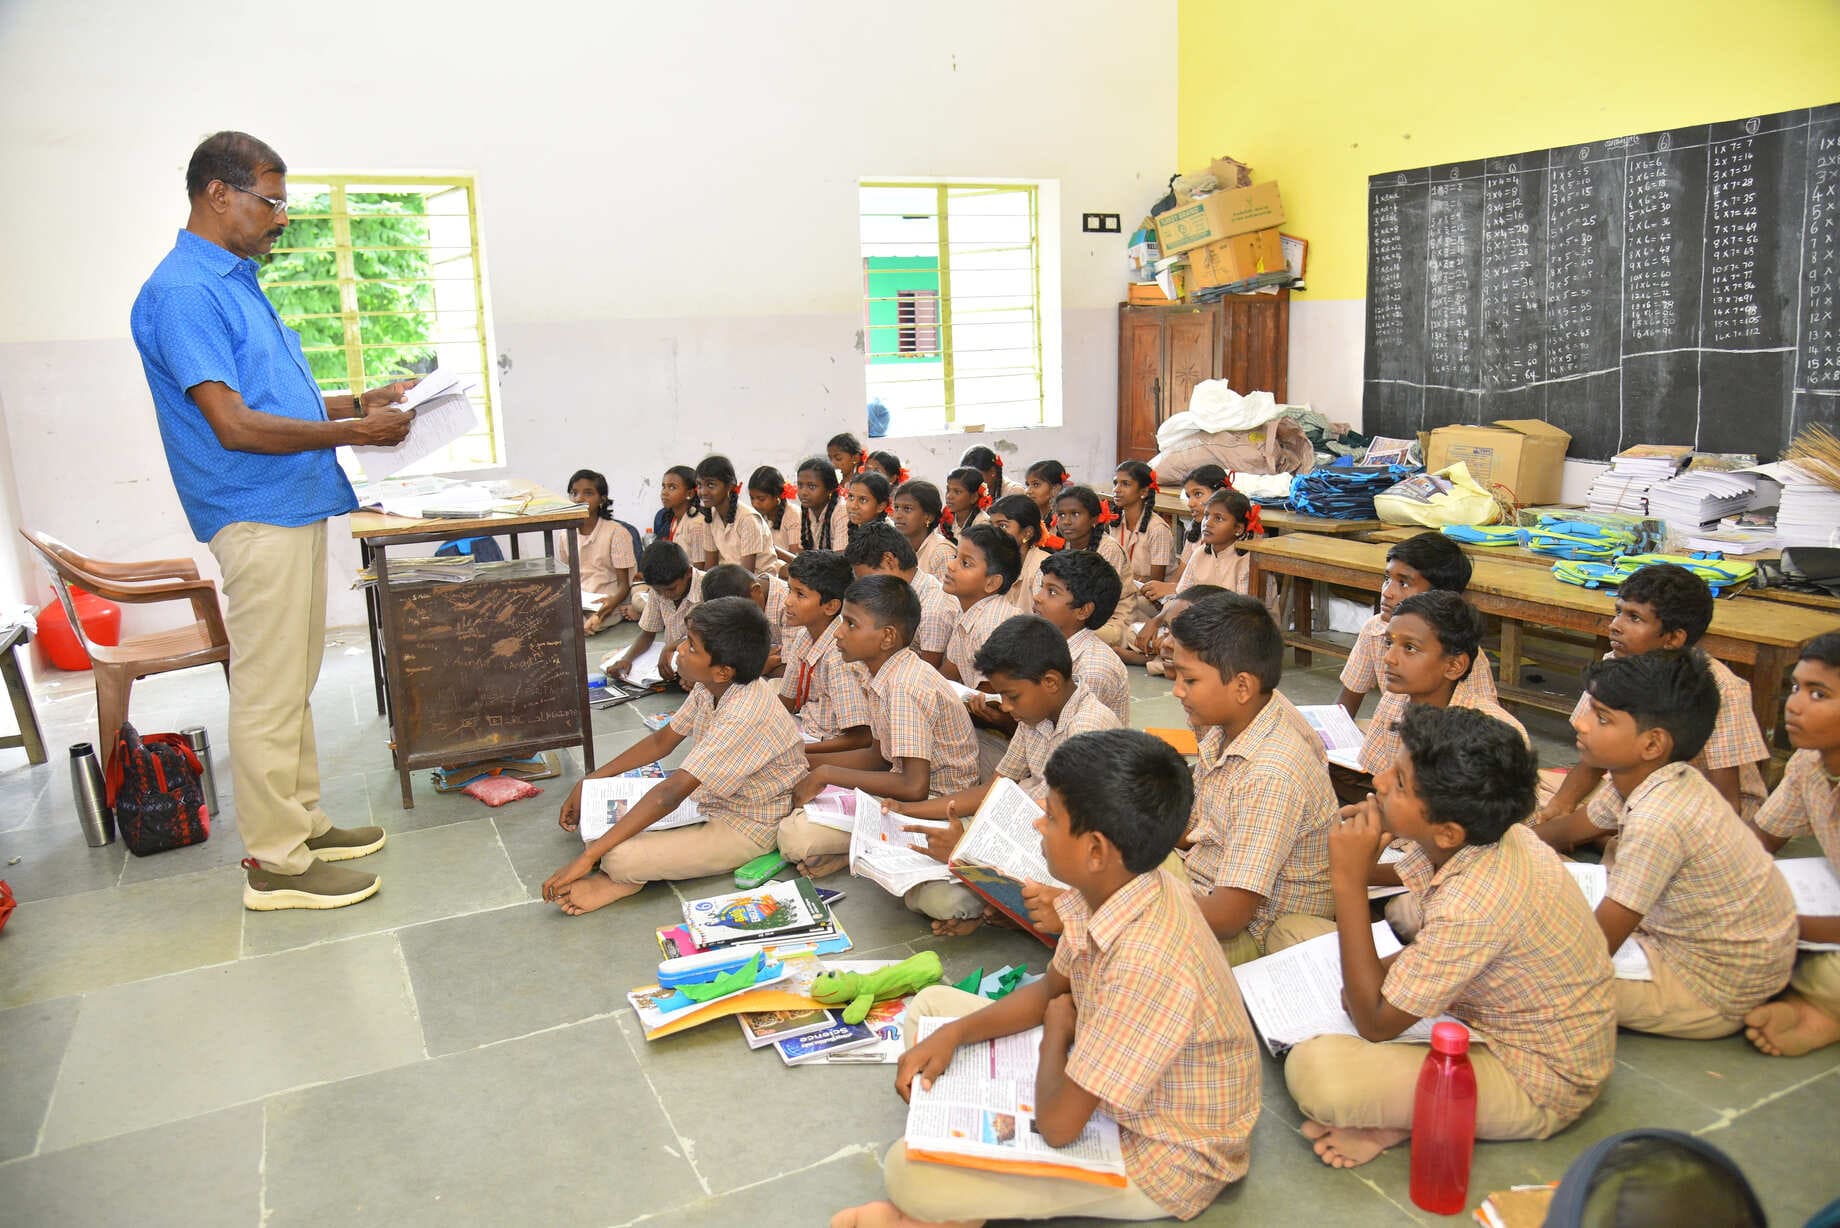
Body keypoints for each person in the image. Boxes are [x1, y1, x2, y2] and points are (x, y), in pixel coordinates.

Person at [131, 131, 410, 910]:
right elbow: (232, 423)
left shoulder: (235, 279)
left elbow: (273, 400)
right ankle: (278, 864)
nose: (281, 218)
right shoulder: (187, 290)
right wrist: (355, 434)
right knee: (266, 688)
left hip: (287, 500)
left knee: (293, 679)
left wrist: (360, 403)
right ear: (219, 194)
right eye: (271, 200)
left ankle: (304, 821)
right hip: (252, 507)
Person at [830, 729, 1261, 1228]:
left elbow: (1058, 1126)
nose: (1038, 822)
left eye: (1052, 817)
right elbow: (1051, 990)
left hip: (1160, 1155)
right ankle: (960, 1191)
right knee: (931, 1013)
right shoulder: (1117, 885)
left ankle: (950, 1204)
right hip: (1096, 1061)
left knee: (909, 1172)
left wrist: (1056, 1036)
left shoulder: (1149, 961)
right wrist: (955, 1034)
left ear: (1096, 849)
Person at [1285, 706, 1616, 1171]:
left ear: (1446, 830)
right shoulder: (1471, 839)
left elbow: (1375, 1023)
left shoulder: (1478, 899)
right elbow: (1412, 961)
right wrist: (1372, 980)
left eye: (1399, 782)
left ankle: (1408, 1118)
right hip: (1469, 1010)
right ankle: (1405, 1108)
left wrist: (1350, 882)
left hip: (1534, 1075)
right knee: (1292, 932)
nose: (1379, 782)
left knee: (1319, 1076)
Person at [1533, 651, 1798, 1038]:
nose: (1584, 725)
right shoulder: (1646, 777)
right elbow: (1571, 829)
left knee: (1521, 976)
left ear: (1653, 743)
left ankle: (1764, 1013)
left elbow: (1597, 945)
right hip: (1707, 948)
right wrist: (1511, 844)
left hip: (1708, 988)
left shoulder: (1659, 818)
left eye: (1602, 717)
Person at [544, 598, 807, 914]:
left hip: (747, 824)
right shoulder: (711, 685)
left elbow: (669, 794)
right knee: (600, 819)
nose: (680, 650)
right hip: (709, 798)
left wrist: (588, 858)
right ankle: (619, 861)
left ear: (723, 670)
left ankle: (619, 879)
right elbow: (661, 742)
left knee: (616, 856)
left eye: (692, 647)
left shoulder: (743, 713)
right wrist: (591, 781)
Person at [1166, 593, 1337, 963]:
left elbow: (1228, 917)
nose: (1177, 690)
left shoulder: (1270, 774)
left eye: (1190, 679)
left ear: (1242, 686)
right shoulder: (1227, 726)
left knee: (1120, 921)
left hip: (1248, 936)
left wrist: (1134, 905)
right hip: (1205, 883)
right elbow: (1201, 825)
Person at [1535, 563, 1768, 824]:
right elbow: (1596, 754)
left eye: (1634, 618)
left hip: (1705, 807)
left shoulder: (1722, 689)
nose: (1615, 626)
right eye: (1618, 612)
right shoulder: (1617, 661)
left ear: (1672, 639)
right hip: (1637, 782)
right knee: (1528, 791)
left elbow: (1727, 802)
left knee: (1619, 826)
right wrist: (1559, 806)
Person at [787, 576, 979, 889]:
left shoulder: (904, 685)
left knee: (795, 835)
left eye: (850, 624)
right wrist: (805, 763)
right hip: (903, 788)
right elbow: (878, 756)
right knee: (794, 785)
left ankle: (863, 848)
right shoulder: (880, 671)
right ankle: (860, 850)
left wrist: (824, 775)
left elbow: (914, 786)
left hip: (934, 802)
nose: (838, 633)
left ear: (887, 637)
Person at [1744, 632, 1840, 1057]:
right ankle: (1815, 1006)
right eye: (1797, 687)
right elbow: (1759, 841)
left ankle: (1821, 1009)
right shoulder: (1808, 762)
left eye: (1819, 694)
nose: (1795, 704)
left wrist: (1780, 923)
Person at [1335, 531, 1492, 719]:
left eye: (1404, 583)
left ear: (1440, 596)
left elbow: (1484, 728)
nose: (1387, 592)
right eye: (1387, 579)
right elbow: (1345, 706)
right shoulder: (1376, 630)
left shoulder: (1458, 655)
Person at [772, 550, 872, 757]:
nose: (788, 601)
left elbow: (860, 738)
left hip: (829, 747)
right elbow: (787, 701)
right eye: (789, 590)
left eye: (800, 594)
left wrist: (797, 751)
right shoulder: (804, 636)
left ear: (830, 606)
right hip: (806, 729)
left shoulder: (839, 655)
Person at [1035, 550, 1130, 724]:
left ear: (1083, 610)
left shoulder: (1092, 670)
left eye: (1052, 592)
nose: (1038, 597)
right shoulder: (1043, 644)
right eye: (1042, 587)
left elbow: (1071, 740)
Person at [845, 522, 956, 668]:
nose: (866, 587)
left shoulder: (933, 610)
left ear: (889, 561)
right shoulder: (896, 594)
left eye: (867, 579)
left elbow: (927, 673)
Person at [605, 540, 702, 686]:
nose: (665, 595)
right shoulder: (660, 591)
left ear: (688, 573)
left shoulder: (708, 586)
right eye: (658, 591)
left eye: (671, 589)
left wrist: (670, 648)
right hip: (675, 660)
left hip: (701, 658)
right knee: (610, 659)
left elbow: (709, 639)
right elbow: (647, 634)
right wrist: (626, 659)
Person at [941, 525, 1022, 690]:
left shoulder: (990, 625)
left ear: (991, 583)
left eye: (965, 563)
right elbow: (948, 675)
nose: (951, 565)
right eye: (955, 556)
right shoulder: (968, 612)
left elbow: (991, 701)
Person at [1052, 484, 1133, 649]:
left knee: (1061, 635)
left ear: (1094, 518)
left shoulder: (1108, 549)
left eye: (1075, 514)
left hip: (1110, 620)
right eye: (1061, 515)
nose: (1066, 521)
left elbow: (1102, 602)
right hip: (1077, 614)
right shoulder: (1064, 546)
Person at [566, 468, 636, 637]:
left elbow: (623, 586)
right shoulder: (565, 534)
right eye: (574, 493)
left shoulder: (617, 533)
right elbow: (568, 579)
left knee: (581, 626)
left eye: (588, 493)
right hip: (579, 602)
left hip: (608, 602)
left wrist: (600, 614)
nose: (579, 499)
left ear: (602, 499)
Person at [1142, 464, 1228, 600]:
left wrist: (1174, 589)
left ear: (1221, 492)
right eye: (1188, 496)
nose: (1191, 503)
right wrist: (1167, 589)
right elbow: (1179, 577)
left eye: (1198, 494)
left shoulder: (1239, 536)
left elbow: (1225, 592)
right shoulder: (1195, 530)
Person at [1111, 461, 1174, 625]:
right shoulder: (1115, 523)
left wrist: (1128, 580)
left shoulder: (1158, 529)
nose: (1117, 489)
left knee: (1113, 603)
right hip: (1126, 589)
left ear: (1144, 491)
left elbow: (1153, 586)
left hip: (1154, 601)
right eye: (1115, 483)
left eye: (1125, 484)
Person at [700, 563, 789, 677]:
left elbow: (794, 669)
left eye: (741, 614)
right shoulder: (733, 605)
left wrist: (756, 668)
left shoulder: (790, 606)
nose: (740, 622)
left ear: (756, 590)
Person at [695, 454, 776, 572]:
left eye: (711, 484)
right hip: (730, 580)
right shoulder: (710, 517)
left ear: (730, 486)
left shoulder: (748, 519)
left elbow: (747, 575)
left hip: (758, 583)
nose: (703, 491)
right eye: (699, 485)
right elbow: (710, 567)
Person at [987, 493, 1050, 613]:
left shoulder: (1041, 568)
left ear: (1027, 533)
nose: (993, 532)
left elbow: (1044, 621)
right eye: (991, 525)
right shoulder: (994, 561)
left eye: (1003, 525)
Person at [890, 478, 955, 582]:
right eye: (896, 508)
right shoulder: (893, 547)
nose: (898, 515)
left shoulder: (941, 552)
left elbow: (947, 597)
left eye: (907, 509)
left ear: (928, 516)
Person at [652, 464, 710, 569]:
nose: (664, 492)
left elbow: (700, 570)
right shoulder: (672, 519)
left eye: (672, 487)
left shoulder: (696, 524)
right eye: (663, 486)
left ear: (690, 493)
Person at [793, 455, 851, 558]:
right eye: (800, 485)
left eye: (812, 486)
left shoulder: (842, 511)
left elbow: (840, 560)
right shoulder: (807, 509)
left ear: (830, 489)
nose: (803, 492)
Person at [748, 465, 802, 560]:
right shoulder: (758, 516)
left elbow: (796, 560)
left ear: (777, 496)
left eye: (761, 499)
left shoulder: (793, 515)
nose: (755, 503)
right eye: (752, 498)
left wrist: (766, 546)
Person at [846, 470, 894, 544]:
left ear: (880, 506)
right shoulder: (857, 526)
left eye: (863, 500)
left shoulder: (885, 538)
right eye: (851, 497)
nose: (853, 506)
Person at [942, 466, 992, 535]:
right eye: (948, 490)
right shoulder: (946, 517)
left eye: (957, 492)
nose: (949, 496)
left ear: (973, 497)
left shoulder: (983, 523)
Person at [1024, 459, 1070, 527]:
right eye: (1028, 485)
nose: (1028, 491)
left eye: (1036, 484)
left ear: (1055, 489)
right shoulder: (1029, 517)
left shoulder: (1063, 522)